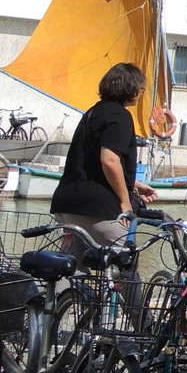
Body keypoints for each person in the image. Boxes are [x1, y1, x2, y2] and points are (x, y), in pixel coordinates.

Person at [49, 62, 161, 249]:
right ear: (133, 90)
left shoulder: (92, 113)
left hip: (67, 203)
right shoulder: (120, 116)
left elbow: (89, 163)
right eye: (142, 90)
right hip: (98, 208)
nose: (142, 94)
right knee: (125, 262)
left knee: (71, 268)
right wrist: (126, 202)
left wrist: (131, 184)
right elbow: (109, 160)